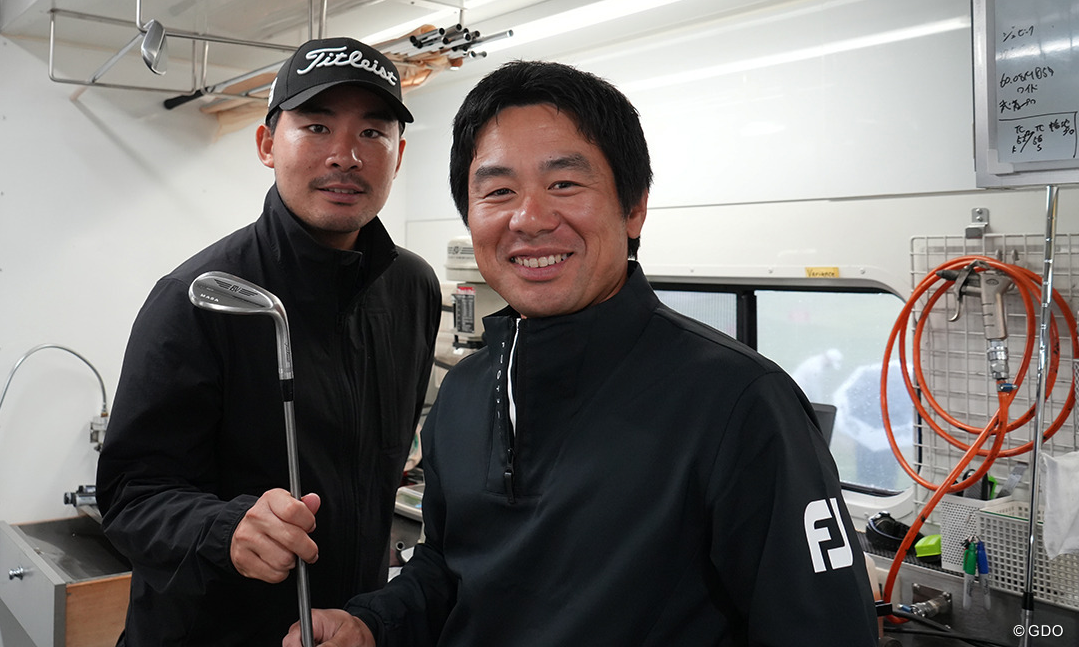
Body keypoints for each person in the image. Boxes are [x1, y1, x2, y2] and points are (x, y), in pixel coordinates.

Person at [285, 61, 879, 647]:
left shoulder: (739, 404)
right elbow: (447, 568)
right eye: (498, 191)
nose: (529, 219)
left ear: (634, 207)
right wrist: (372, 624)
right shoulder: (467, 391)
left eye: (564, 184)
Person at [96, 36, 442, 646]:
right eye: (316, 127)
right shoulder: (197, 297)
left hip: (345, 629)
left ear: (398, 155)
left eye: (372, 133)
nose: (345, 156)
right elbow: (131, 496)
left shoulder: (412, 289)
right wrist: (223, 528)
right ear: (266, 144)